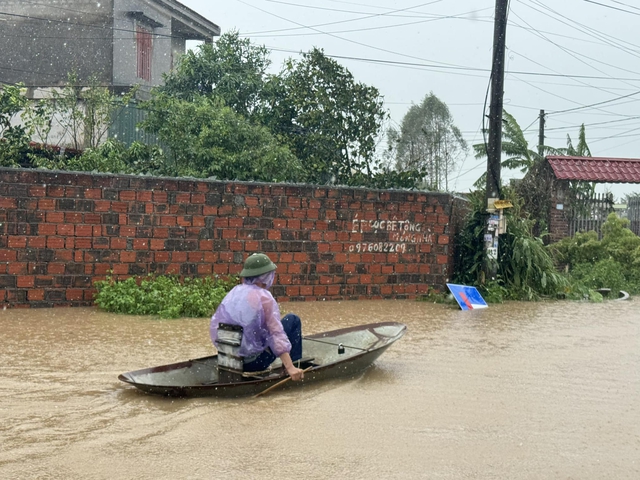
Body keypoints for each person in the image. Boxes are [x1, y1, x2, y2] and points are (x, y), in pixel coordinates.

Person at [210, 253, 305, 381]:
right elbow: (276, 333)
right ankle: (293, 368)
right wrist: (290, 367)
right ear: (265, 276)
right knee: (293, 319)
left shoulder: (235, 292)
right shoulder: (264, 297)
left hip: (229, 359)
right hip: (254, 364)